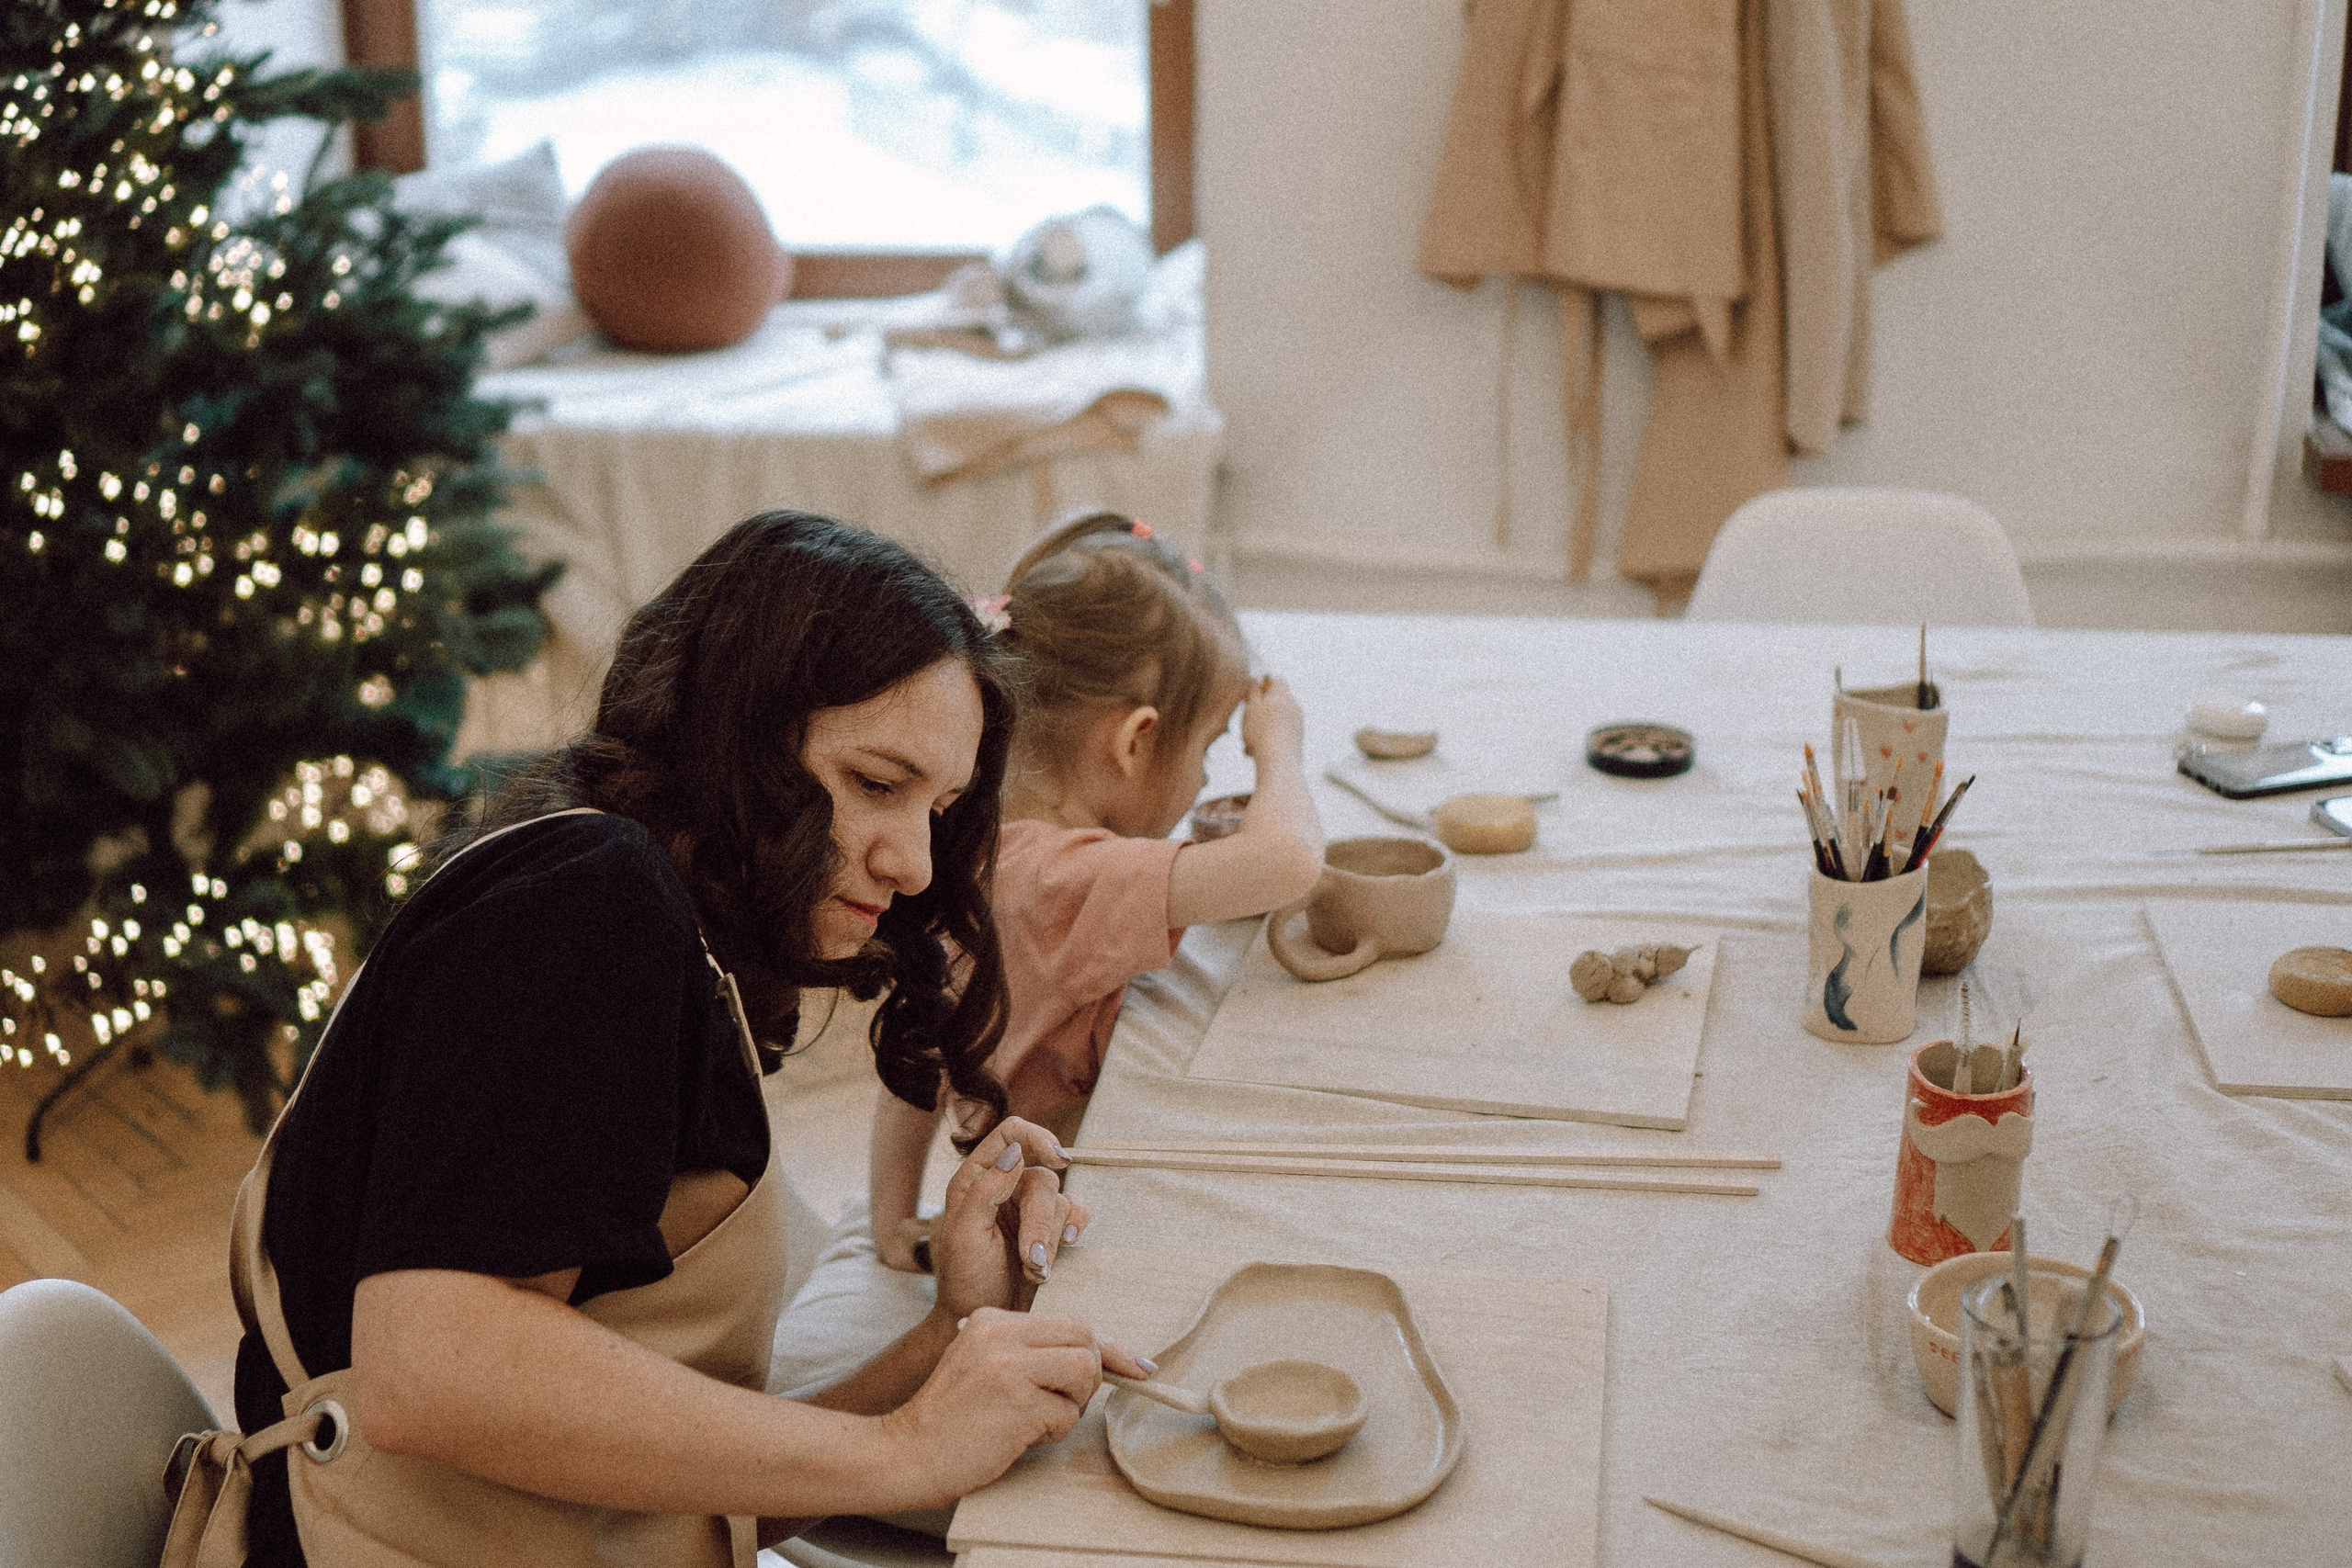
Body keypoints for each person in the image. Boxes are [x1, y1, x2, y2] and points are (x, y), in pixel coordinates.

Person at [223, 512, 1147, 1568]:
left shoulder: (657, 935)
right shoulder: (586, 908)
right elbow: (429, 1370)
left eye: (937, 808)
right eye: (875, 785)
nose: (917, 864)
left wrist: (944, 1341)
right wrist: (901, 1451)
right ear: (728, 731)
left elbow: (672, 1506)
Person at [869, 513, 1325, 1274]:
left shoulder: (969, 841)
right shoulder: (1065, 878)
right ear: (1135, 741)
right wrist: (1281, 748)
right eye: (1210, 748)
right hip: (1069, 1212)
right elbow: (1288, 859)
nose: (1210, 777)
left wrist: (891, 1218)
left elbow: (915, 1051)